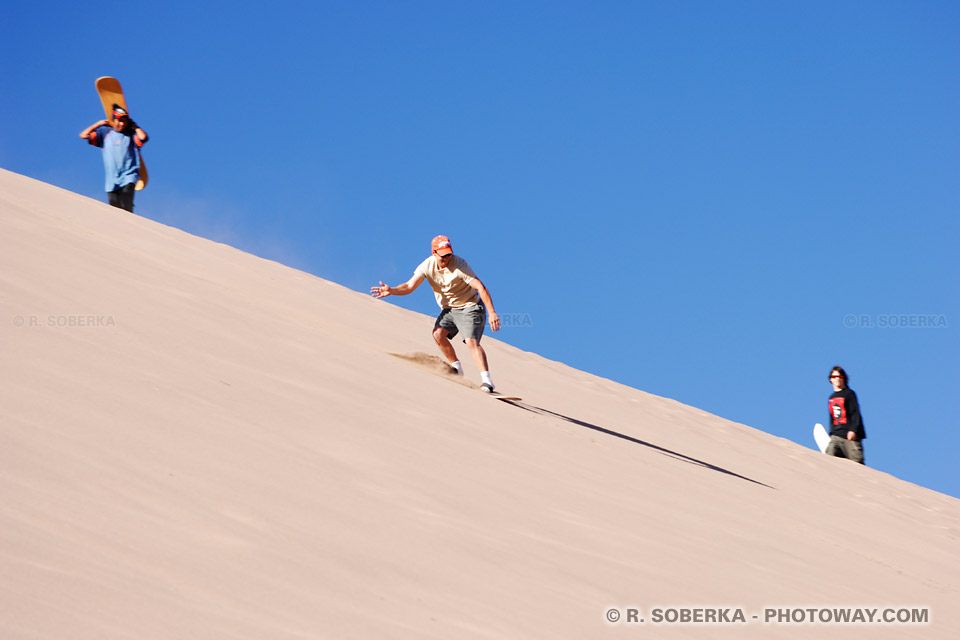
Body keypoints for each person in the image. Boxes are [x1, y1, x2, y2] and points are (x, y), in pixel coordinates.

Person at [371, 235, 502, 392]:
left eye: (448, 254)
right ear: (434, 253)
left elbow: (481, 287)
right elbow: (409, 286)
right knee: (437, 334)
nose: (446, 258)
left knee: (470, 341)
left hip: (470, 306)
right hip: (449, 309)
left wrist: (492, 312)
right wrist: (391, 290)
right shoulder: (427, 266)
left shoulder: (460, 265)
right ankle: (456, 368)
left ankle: (487, 381)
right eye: (443, 255)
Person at [79, 105, 148, 212]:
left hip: (129, 177)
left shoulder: (130, 134)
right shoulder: (105, 133)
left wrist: (134, 125)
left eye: (124, 121)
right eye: (119, 121)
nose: (122, 124)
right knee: (115, 211)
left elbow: (143, 137)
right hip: (112, 181)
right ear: (114, 120)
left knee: (126, 206)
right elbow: (83, 135)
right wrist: (99, 124)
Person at [826, 366, 866, 465]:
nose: (837, 378)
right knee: (828, 460)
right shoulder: (831, 398)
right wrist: (831, 434)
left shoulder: (849, 394)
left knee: (857, 463)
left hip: (849, 436)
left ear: (844, 378)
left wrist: (853, 430)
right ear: (831, 379)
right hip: (836, 435)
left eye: (840, 376)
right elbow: (832, 417)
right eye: (834, 376)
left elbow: (855, 413)